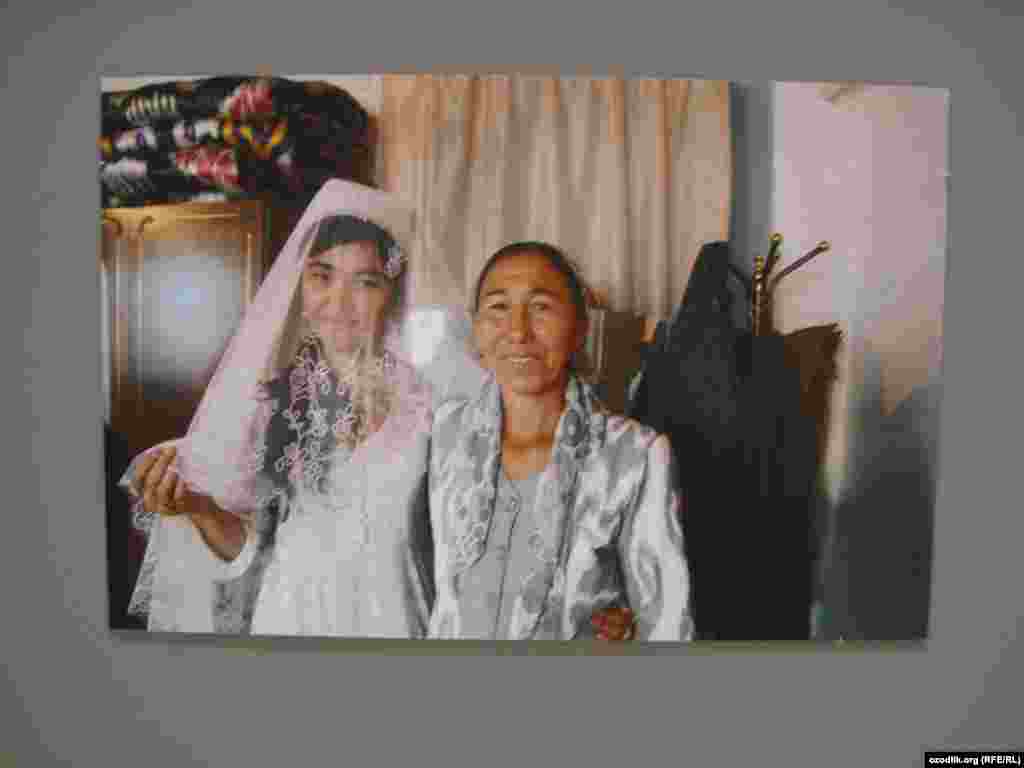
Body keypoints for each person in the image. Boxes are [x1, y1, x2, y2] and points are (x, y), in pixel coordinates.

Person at [122, 178, 437, 638]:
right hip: (289, 618)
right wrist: (198, 507)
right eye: (322, 276)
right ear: (299, 286)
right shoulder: (271, 406)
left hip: (395, 621)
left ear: (392, 293)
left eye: (365, 281)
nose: (339, 302)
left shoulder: (428, 405)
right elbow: (250, 556)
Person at [427, 242, 695, 641]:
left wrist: (628, 632)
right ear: (476, 327)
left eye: (541, 308)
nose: (518, 331)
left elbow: (667, 625)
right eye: (498, 307)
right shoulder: (443, 433)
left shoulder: (632, 455)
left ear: (580, 328)